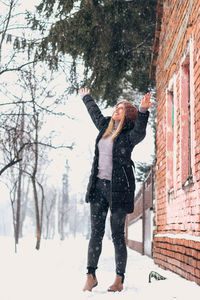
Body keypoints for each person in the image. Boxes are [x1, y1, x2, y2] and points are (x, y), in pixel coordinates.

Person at [78, 88, 153, 292]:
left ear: (127, 114)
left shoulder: (129, 135)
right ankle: (90, 275)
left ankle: (119, 279)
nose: (117, 110)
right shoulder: (105, 127)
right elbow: (94, 112)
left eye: (121, 108)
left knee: (118, 235)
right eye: (117, 107)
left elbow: (140, 131)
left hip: (119, 189)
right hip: (98, 188)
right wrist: (86, 97)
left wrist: (143, 111)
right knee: (96, 233)